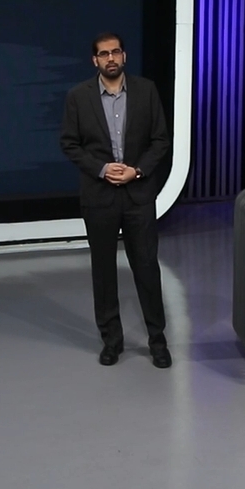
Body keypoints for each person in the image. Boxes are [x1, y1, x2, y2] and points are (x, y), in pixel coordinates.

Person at [59, 32, 172, 368]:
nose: (111, 58)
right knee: (104, 271)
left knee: (147, 268)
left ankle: (158, 341)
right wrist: (103, 169)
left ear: (124, 56)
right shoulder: (78, 97)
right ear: (94, 60)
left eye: (116, 52)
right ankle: (112, 341)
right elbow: (70, 144)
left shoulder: (146, 91)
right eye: (104, 54)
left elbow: (160, 141)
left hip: (138, 195)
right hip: (100, 196)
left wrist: (136, 171)